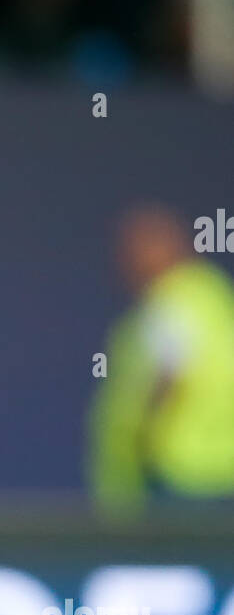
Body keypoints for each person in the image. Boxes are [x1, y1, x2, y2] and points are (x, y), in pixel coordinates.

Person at [88, 204, 234, 510]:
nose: (129, 260)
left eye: (141, 248)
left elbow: (172, 371)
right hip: (213, 472)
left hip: (177, 474)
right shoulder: (209, 293)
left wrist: (144, 438)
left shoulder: (172, 299)